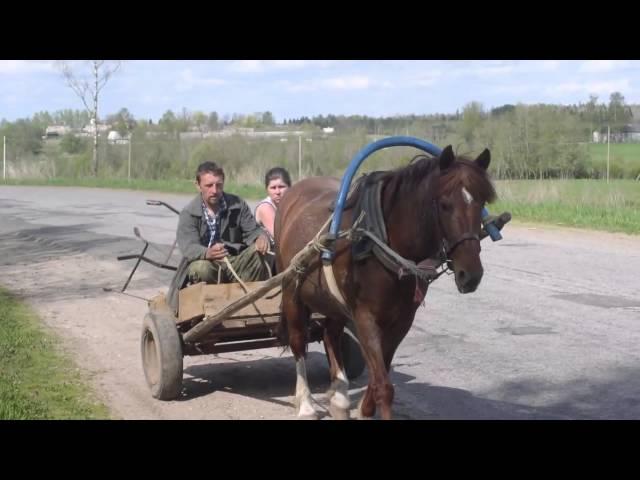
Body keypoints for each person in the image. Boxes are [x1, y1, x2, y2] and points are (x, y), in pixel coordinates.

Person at [167, 161, 271, 314]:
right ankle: (212, 305)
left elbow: (253, 230)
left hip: (235, 262)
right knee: (200, 267)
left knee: (259, 254)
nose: (215, 190)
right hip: (209, 266)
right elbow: (188, 247)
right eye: (209, 186)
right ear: (198, 185)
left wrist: (260, 238)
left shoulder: (238, 204)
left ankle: (249, 300)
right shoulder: (188, 213)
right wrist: (207, 253)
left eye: (219, 185)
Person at [254, 166, 292, 242]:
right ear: (267, 190)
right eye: (273, 188)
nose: (277, 192)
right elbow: (280, 236)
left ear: (289, 187)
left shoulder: (290, 204)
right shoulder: (265, 207)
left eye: (281, 187)